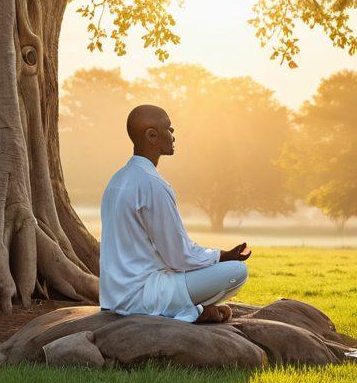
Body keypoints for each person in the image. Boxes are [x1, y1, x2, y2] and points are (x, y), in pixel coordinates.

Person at [99, 103, 251, 324]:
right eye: (169, 129)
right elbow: (178, 256)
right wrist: (222, 256)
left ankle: (196, 308)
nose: (173, 134)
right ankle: (195, 310)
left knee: (210, 270)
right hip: (144, 294)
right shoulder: (152, 184)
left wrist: (215, 257)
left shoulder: (118, 179)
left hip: (116, 296)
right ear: (152, 135)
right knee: (237, 271)